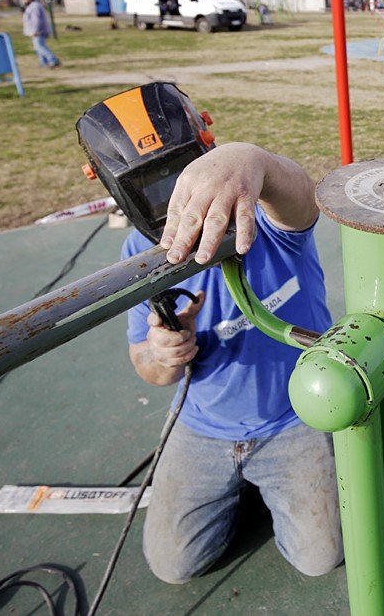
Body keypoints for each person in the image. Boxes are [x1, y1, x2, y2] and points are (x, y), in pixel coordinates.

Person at [122, 139, 343, 584]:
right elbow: (148, 367)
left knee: (319, 558)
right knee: (173, 567)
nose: (176, 200)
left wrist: (252, 158)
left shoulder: (265, 215)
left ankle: (264, 489)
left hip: (292, 419)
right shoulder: (140, 251)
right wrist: (166, 353)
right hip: (204, 425)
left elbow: (302, 199)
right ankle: (248, 492)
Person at [21, 0, 59, 68]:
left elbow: (36, 20)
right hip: (35, 31)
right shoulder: (30, 6)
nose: (22, 0)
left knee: (40, 47)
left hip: (38, 31)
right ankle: (43, 62)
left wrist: (35, 30)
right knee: (37, 47)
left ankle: (53, 60)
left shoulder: (35, 6)